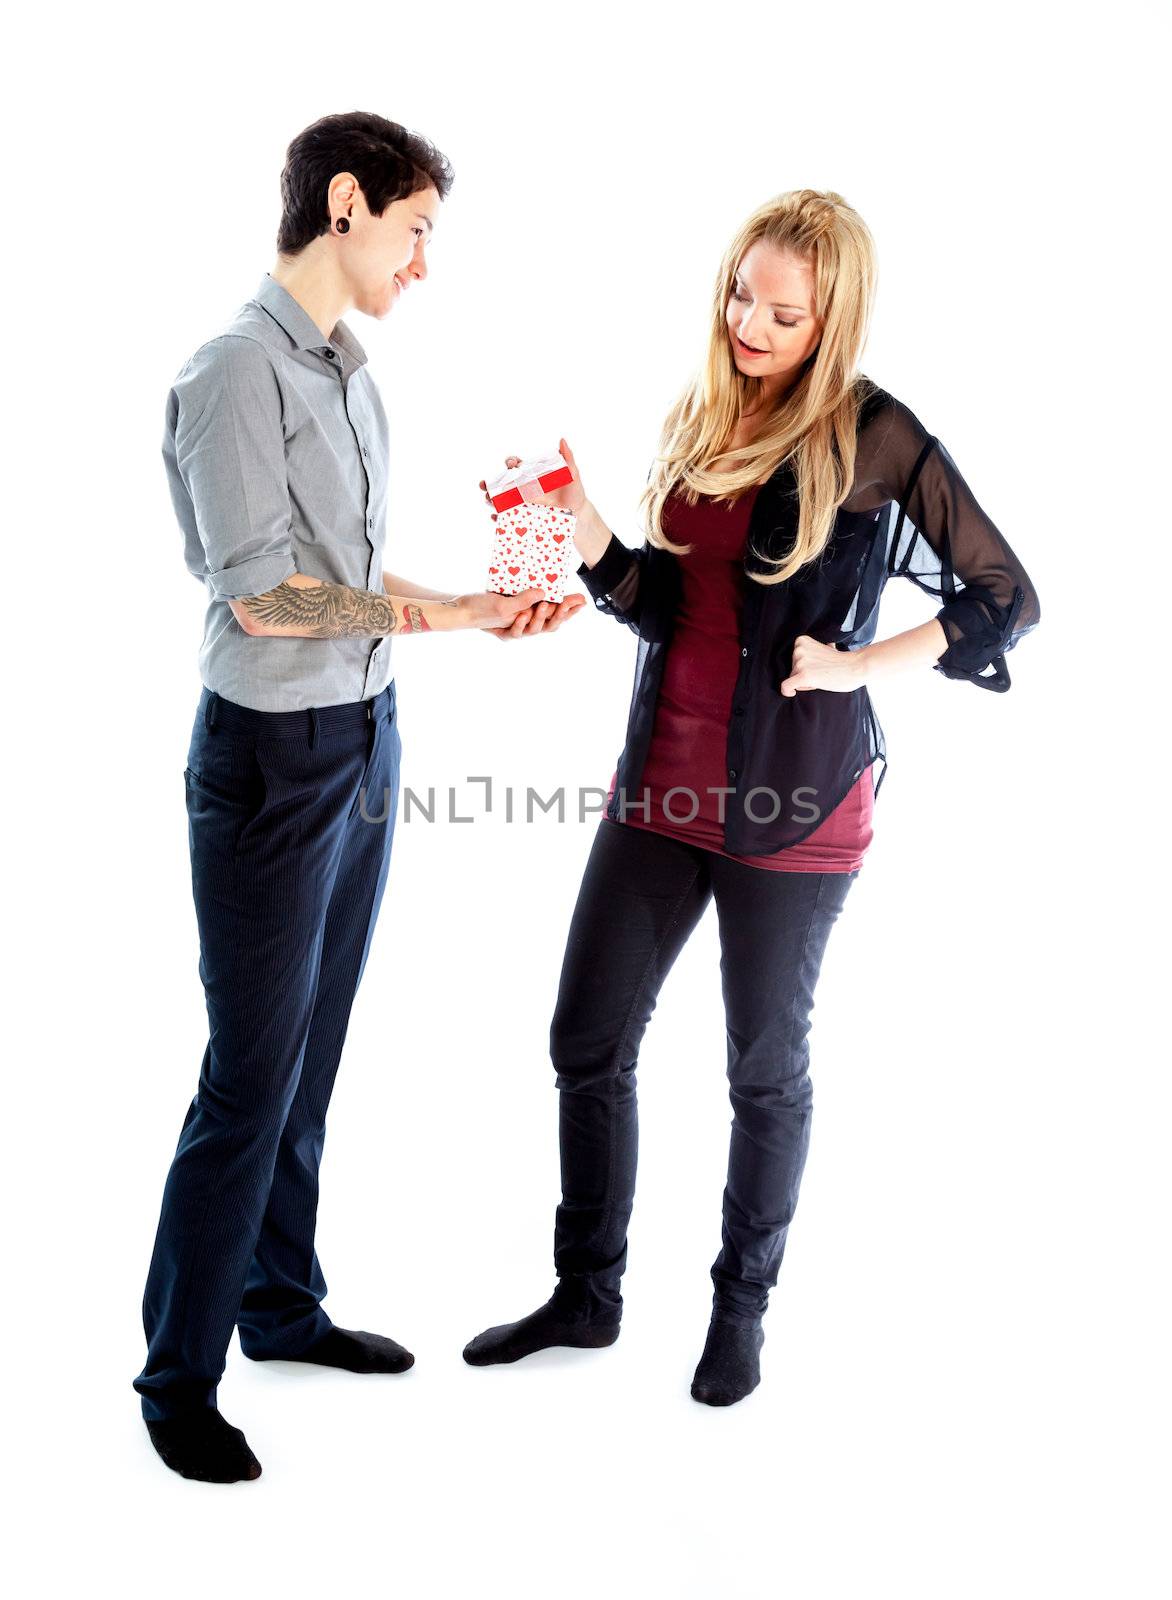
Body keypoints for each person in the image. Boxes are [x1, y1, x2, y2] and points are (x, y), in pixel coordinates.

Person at [462, 187, 1041, 1406]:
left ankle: (739, 1311)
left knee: (761, 1070)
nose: (751, 323)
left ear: (830, 320)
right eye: (740, 295)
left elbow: (1004, 595)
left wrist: (859, 663)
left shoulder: (873, 434)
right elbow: (663, 605)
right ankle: (588, 1292)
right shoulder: (703, 412)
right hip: (658, 788)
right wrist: (575, 521)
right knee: (584, 1038)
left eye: (783, 311)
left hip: (793, 805)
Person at [134, 110, 584, 1484]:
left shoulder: (349, 378)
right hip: (272, 761)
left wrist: (470, 605)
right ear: (345, 203)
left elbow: (348, 576)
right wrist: (445, 618)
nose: (424, 261)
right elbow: (263, 596)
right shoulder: (230, 373)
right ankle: (178, 1372)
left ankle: (279, 1305)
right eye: (417, 228)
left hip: (367, 736)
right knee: (248, 1076)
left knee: (312, 1053)